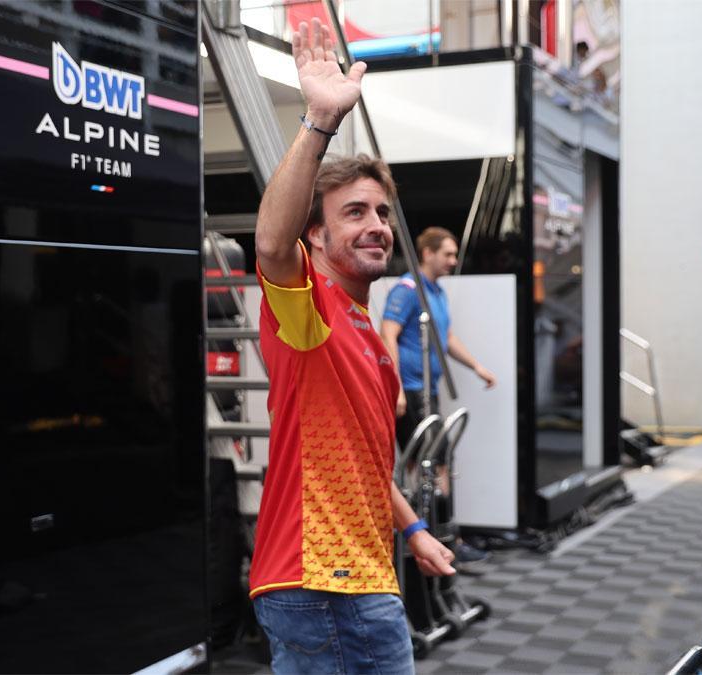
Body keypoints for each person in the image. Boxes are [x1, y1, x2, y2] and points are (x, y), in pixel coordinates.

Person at [248, 18, 455, 675]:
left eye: (382, 212)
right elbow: (271, 246)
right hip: (326, 585)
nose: (376, 225)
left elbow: (365, 464)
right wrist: (318, 120)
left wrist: (412, 527)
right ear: (317, 236)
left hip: (357, 578)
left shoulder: (367, 332)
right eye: (354, 212)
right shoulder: (311, 313)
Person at [380, 227, 496, 568]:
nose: (453, 260)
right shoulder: (407, 289)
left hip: (428, 390)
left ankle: (443, 539)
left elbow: (445, 337)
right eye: (446, 253)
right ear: (427, 253)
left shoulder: (437, 292)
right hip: (412, 391)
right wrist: (396, 388)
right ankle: (436, 543)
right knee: (428, 465)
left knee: (438, 463)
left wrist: (477, 366)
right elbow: (388, 333)